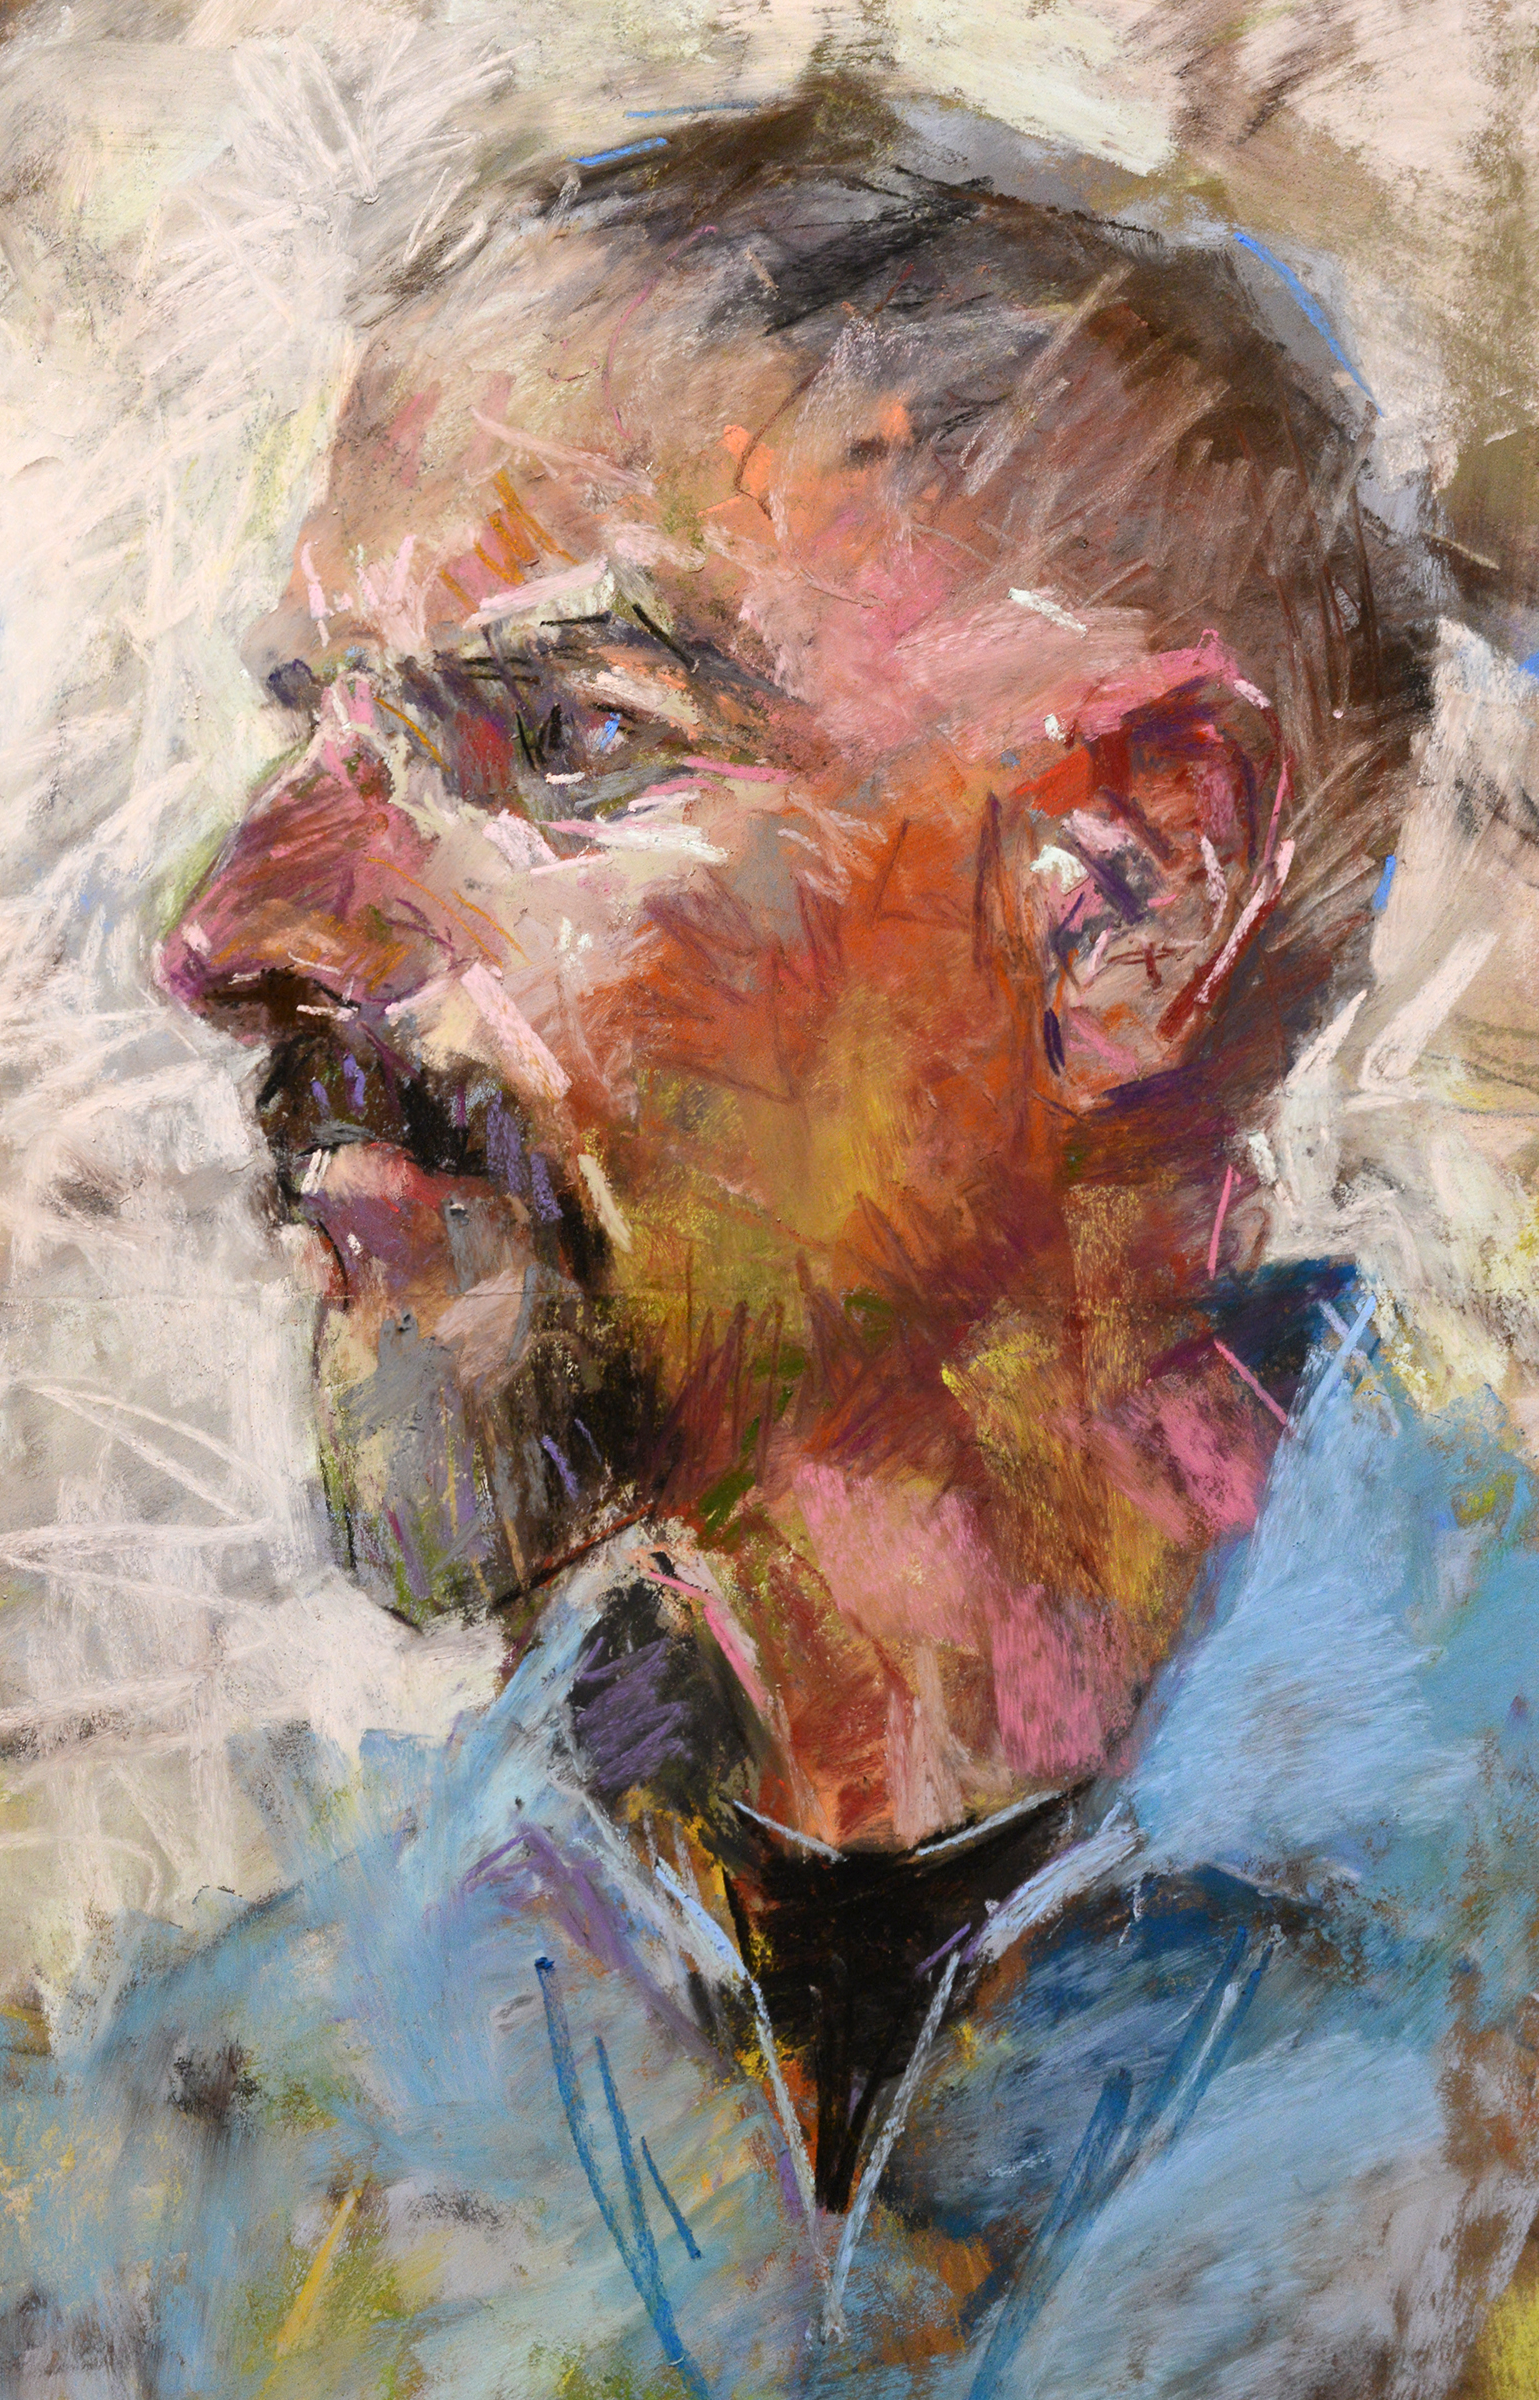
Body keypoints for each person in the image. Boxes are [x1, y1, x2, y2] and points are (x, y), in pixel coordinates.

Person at [137, 85, 1539, 2396]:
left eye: (561, 738)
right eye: (318, 744)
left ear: (1129, 892)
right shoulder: (260, 2114)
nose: (236, 928)